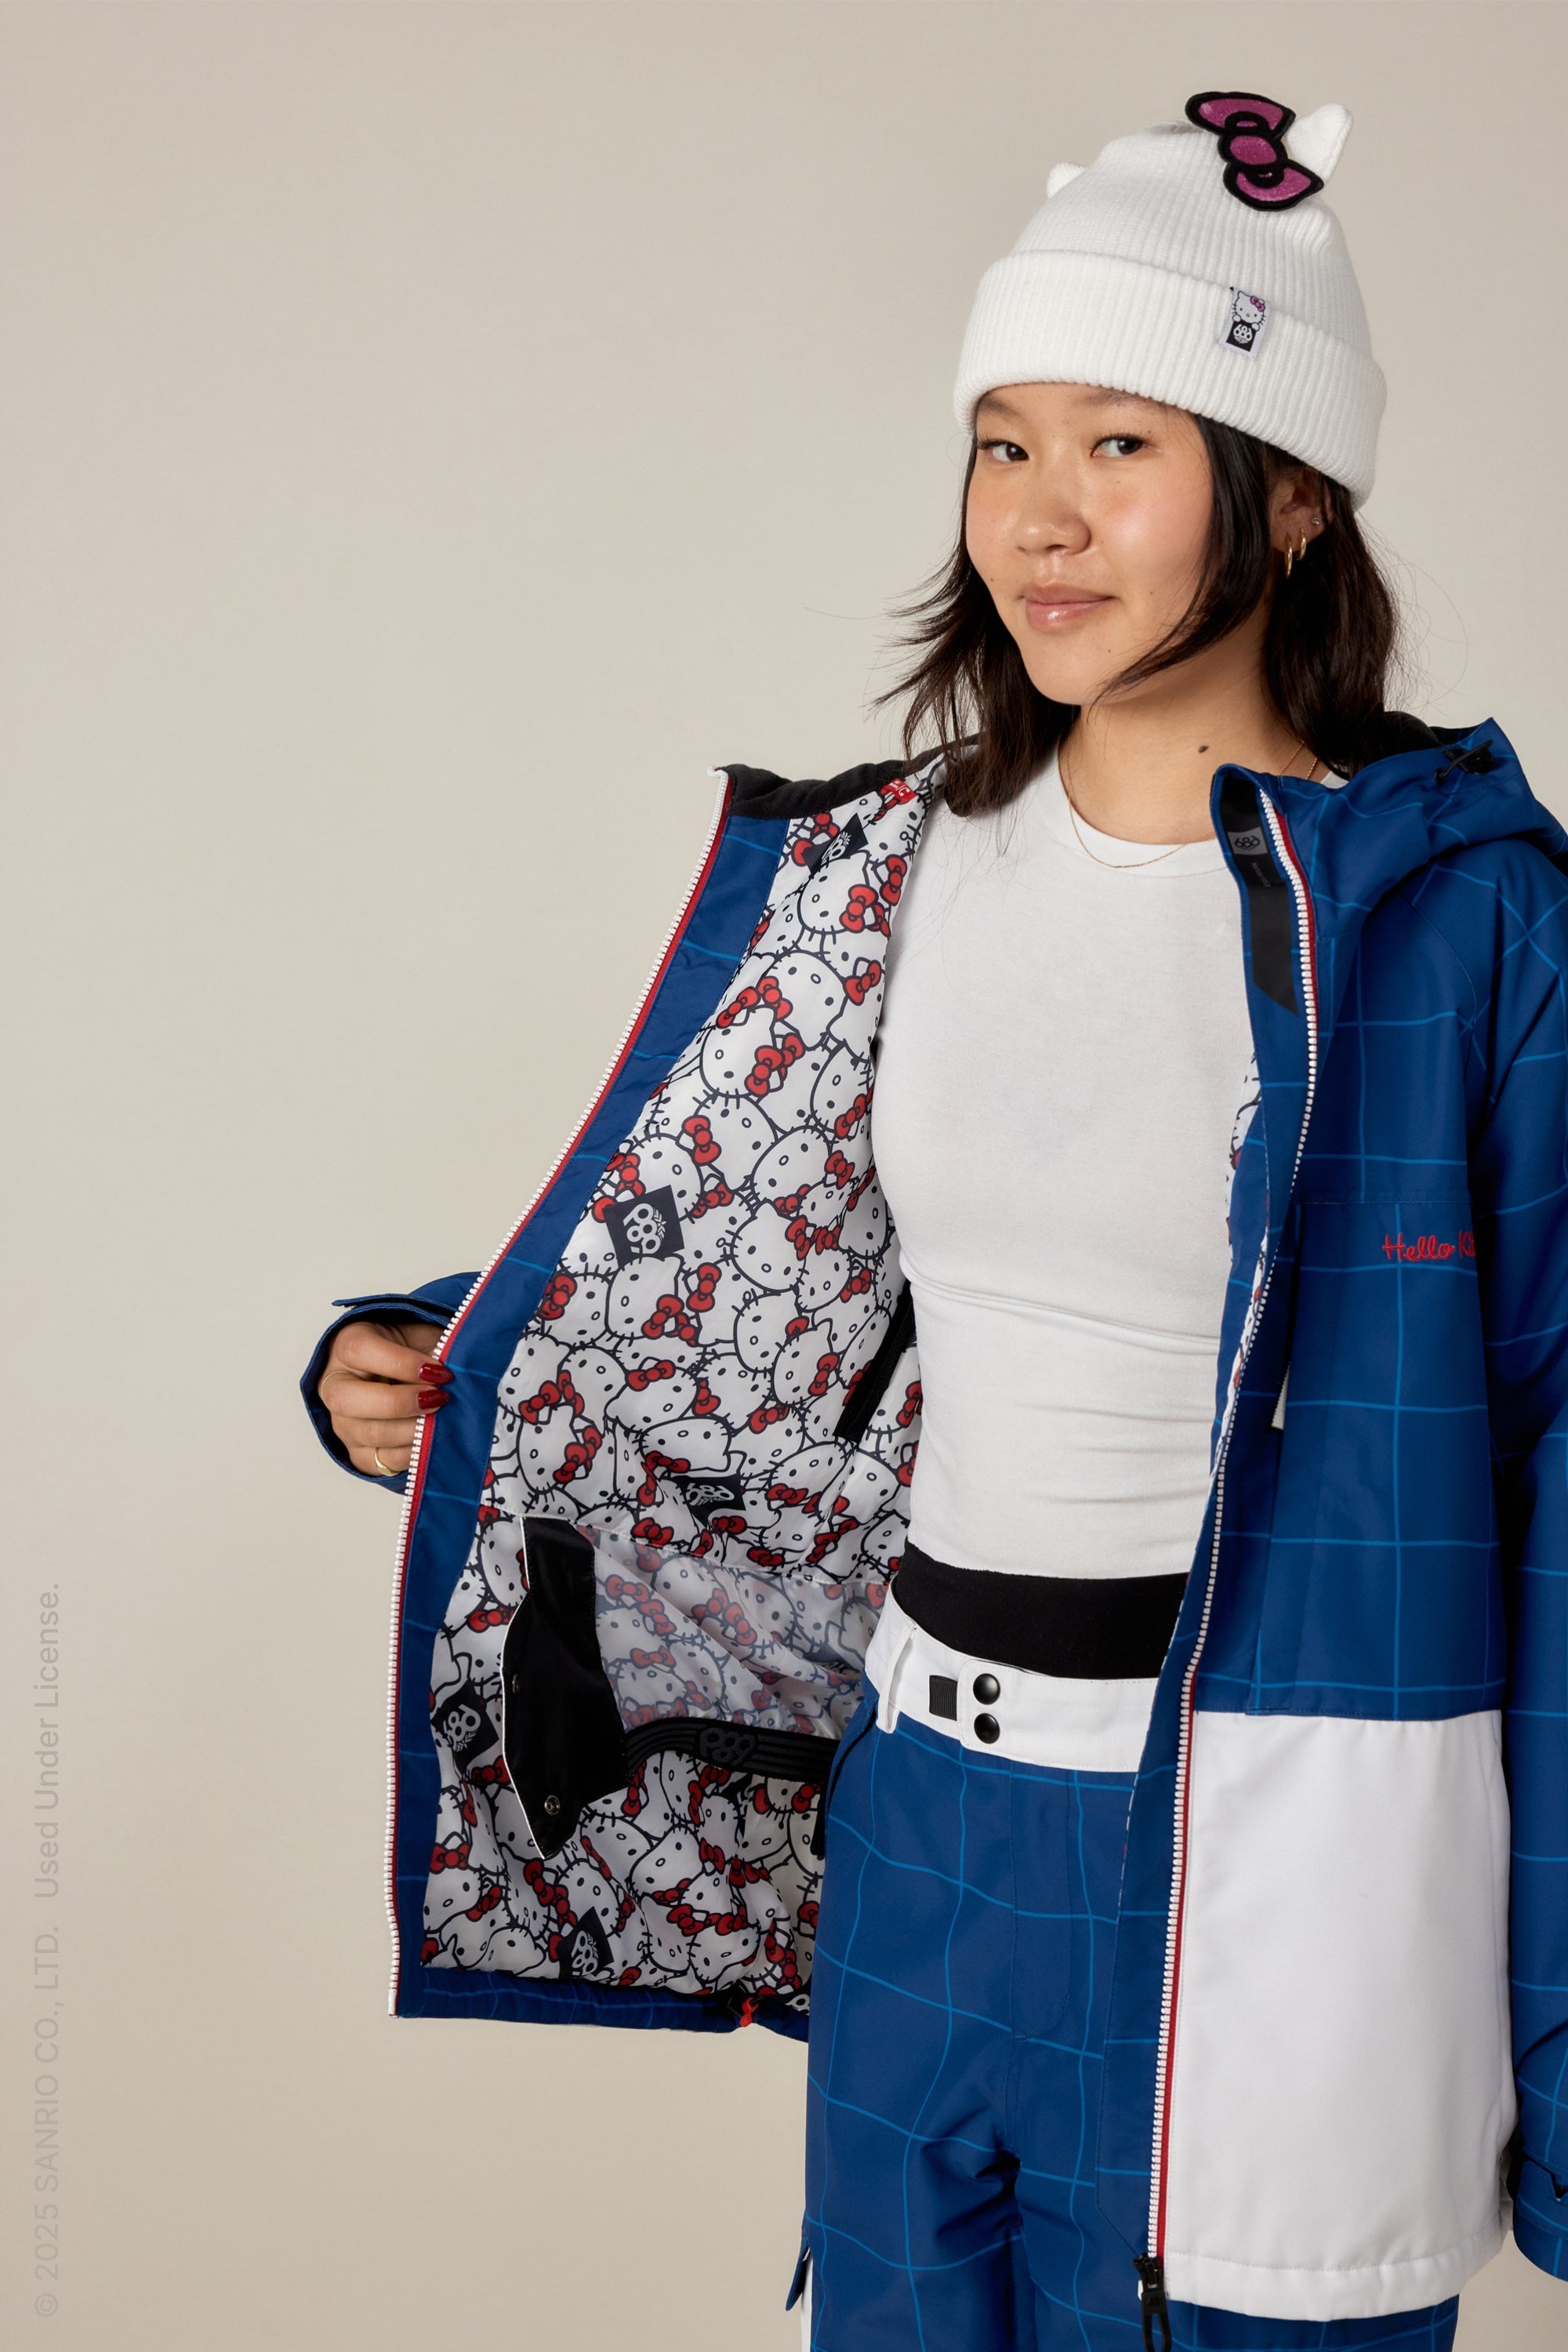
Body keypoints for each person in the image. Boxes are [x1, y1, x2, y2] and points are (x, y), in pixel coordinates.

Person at [303, 91, 1568, 2352]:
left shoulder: (1464, 932)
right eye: (1002, 445)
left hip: (1255, 1862)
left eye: (1120, 449)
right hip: (915, 1825)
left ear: (1288, 496)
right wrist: (423, 1350)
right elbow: (741, 1268)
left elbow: (1565, 1478)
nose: (1042, 523)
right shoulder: (892, 872)